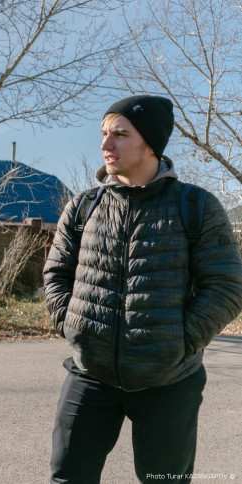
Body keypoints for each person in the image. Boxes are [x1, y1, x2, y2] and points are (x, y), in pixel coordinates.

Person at [43, 95, 242, 483]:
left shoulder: (196, 206)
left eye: (120, 134)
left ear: (150, 143)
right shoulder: (84, 207)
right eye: (104, 133)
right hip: (91, 375)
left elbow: (226, 286)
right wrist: (72, 325)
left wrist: (179, 342)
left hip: (169, 381)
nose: (106, 144)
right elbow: (56, 274)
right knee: (67, 477)